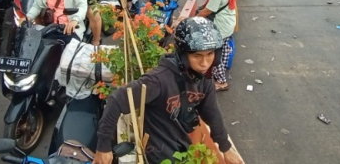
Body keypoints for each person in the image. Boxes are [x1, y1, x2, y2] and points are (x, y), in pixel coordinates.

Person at [92, 17, 245, 164]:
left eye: (210, 54)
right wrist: (103, 147)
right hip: (156, 155)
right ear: (183, 55)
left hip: (181, 150)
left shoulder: (204, 79)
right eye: (197, 56)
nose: (204, 63)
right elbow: (117, 99)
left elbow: (212, 113)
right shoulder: (159, 80)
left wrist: (226, 148)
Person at [196, 0, 238, 92]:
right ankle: (222, 72)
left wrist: (194, 19)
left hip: (221, 27)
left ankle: (221, 81)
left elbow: (208, 10)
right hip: (229, 24)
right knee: (224, 49)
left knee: (215, 55)